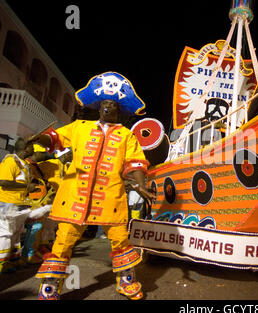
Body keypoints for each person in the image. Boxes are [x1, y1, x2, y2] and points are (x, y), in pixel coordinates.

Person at [32, 72, 155, 300]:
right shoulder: (79, 127)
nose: (107, 108)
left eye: (112, 105)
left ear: (119, 109)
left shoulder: (127, 136)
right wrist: (39, 139)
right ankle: (50, 287)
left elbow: (135, 163)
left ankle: (126, 281)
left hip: (111, 200)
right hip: (74, 199)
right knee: (63, 241)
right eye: (104, 104)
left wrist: (140, 185)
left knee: (120, 240)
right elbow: (54, 139)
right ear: (99, 107)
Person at [0, 138, 39, 272]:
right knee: (5, 233)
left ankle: (14, 259)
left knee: (16, 234)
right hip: (6, 204)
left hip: (19, 204)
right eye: (32, 146)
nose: (34, 149)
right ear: (25, 148)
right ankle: (2, 263)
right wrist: (27, 186)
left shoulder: (24, 164)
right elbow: (3, 182)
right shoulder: (11, 161)